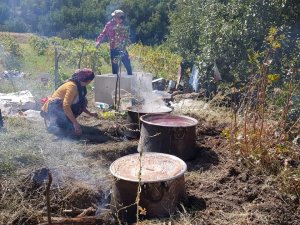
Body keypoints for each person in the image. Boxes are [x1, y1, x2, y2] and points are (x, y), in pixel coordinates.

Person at [41, 68, 98, 136]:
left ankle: (65, 122)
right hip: (50, 110)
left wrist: (90, 113)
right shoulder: (72, 86)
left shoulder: (80, 86)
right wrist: (76, 124)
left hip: (61, 109)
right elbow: (66, 105)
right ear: (89, 80)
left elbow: (80, 104)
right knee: (57, 102)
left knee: (83, 101)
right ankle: (54, 123)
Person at [96, 9, 133, 75]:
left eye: (122, 18)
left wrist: (125, 41)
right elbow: (103, 33)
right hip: (113, 48)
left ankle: (130, 80)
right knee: (115, 68)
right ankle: (115, 83)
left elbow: (126, 36)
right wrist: (98, 41)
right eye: (119, 18)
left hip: (122, 48)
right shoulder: (109, 24)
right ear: (116, 17)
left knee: (128, 65)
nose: (121, 19)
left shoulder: (122, 25)